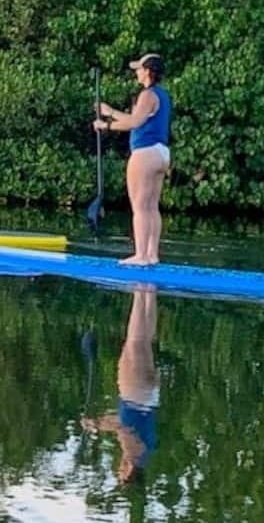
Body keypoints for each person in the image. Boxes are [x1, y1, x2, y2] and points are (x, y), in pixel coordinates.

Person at [93, 53, 171, 265]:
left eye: (139, 69)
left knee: (139, 206)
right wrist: (111, 112)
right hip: (162, 153)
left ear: (148, 71)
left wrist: (106, 125)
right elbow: (137, 119)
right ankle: (152, 255)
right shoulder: (162, 95)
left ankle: (141, 256)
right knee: (152, 206)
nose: (136, 72)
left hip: (145, 154)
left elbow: (134, 122)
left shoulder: (147, 95)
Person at [81, 285, 160, 486]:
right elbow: (122, 427)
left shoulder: (145, 451)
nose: (120, 467)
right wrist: (96, 425)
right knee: (134, 341)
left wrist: (99, 421)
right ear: (130, 471)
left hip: (148, 397)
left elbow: (125, 422)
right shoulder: (134, 454)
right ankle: (140, 289)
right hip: (136, 393)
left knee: (144, 341)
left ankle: (148, 291)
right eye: (122, 472)